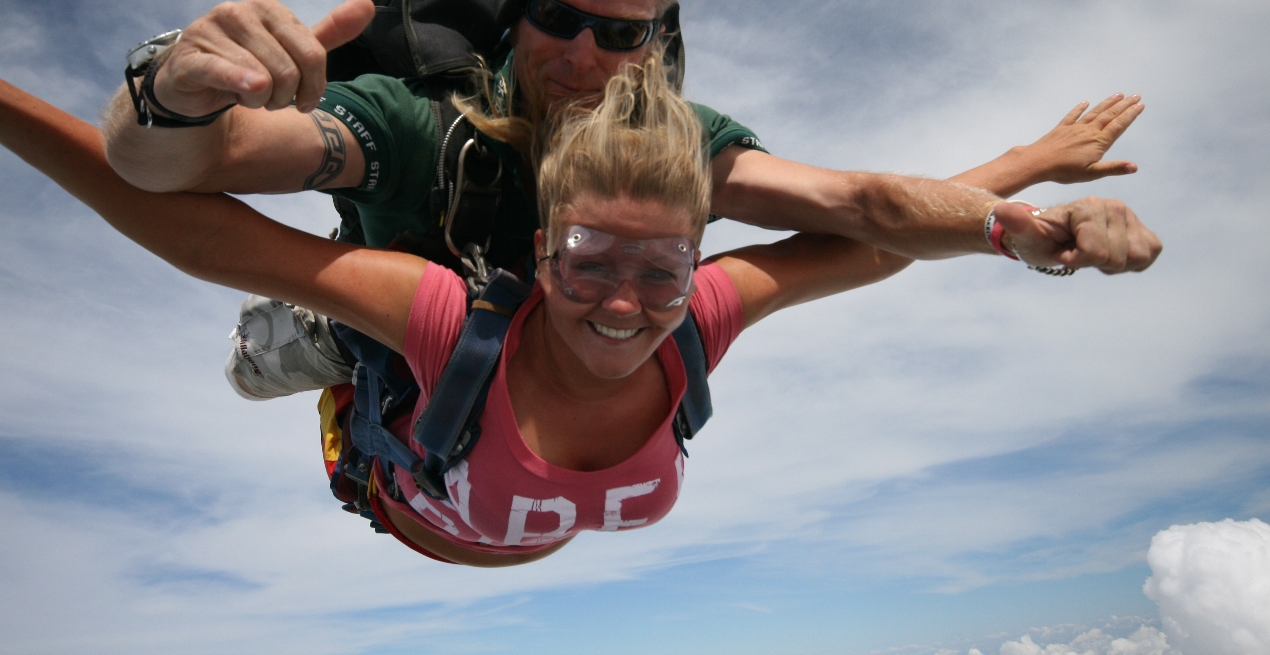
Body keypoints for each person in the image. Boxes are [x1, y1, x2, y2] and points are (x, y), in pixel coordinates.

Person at [0, 59, 1159, 567]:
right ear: (541, 247)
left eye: (662, 266)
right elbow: (196, 229)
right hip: (393, 463)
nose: (624, 302)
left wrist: (1021, 197)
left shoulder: (704, 313)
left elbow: (871, 238)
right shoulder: (453, 317)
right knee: (326, 318)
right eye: (589, 258)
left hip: (448, 500)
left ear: (696, 256)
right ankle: (308, 338)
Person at [99, 0, 1160, 399]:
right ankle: (323, 330)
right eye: (555, 17)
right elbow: (182, 167)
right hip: (403, 354)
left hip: (543, 356)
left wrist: (1024, 213)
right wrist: (174, 90)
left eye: (617, 32)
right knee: (309, 352)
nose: (578, 55)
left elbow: (861, 211)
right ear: (516, 11)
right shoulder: (416, 128)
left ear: (654, 44)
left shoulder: (674, 153)